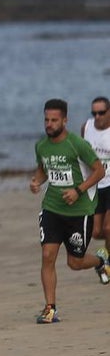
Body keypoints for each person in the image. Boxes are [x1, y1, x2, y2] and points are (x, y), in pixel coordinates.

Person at [30, 98, 110, 324]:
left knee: (75, 263)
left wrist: (78, 190)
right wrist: (36, 182)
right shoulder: (41, 145)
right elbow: (43, 169)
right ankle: (50, 309)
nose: (49, 124)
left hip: (79, 212)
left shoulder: (77, 144)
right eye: (46, 120)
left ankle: (100, 261)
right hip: (52, 208)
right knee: (47, 256)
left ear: (65, 120)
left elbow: (99, 171)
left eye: (54, 120)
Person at [80, 96, 110, 252]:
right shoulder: (86, 127)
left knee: (108, 228)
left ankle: (108, 260)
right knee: (96, 232)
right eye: (94, 113)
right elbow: (81, 154)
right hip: (95, 185)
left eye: (101, 113)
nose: (97, 116)